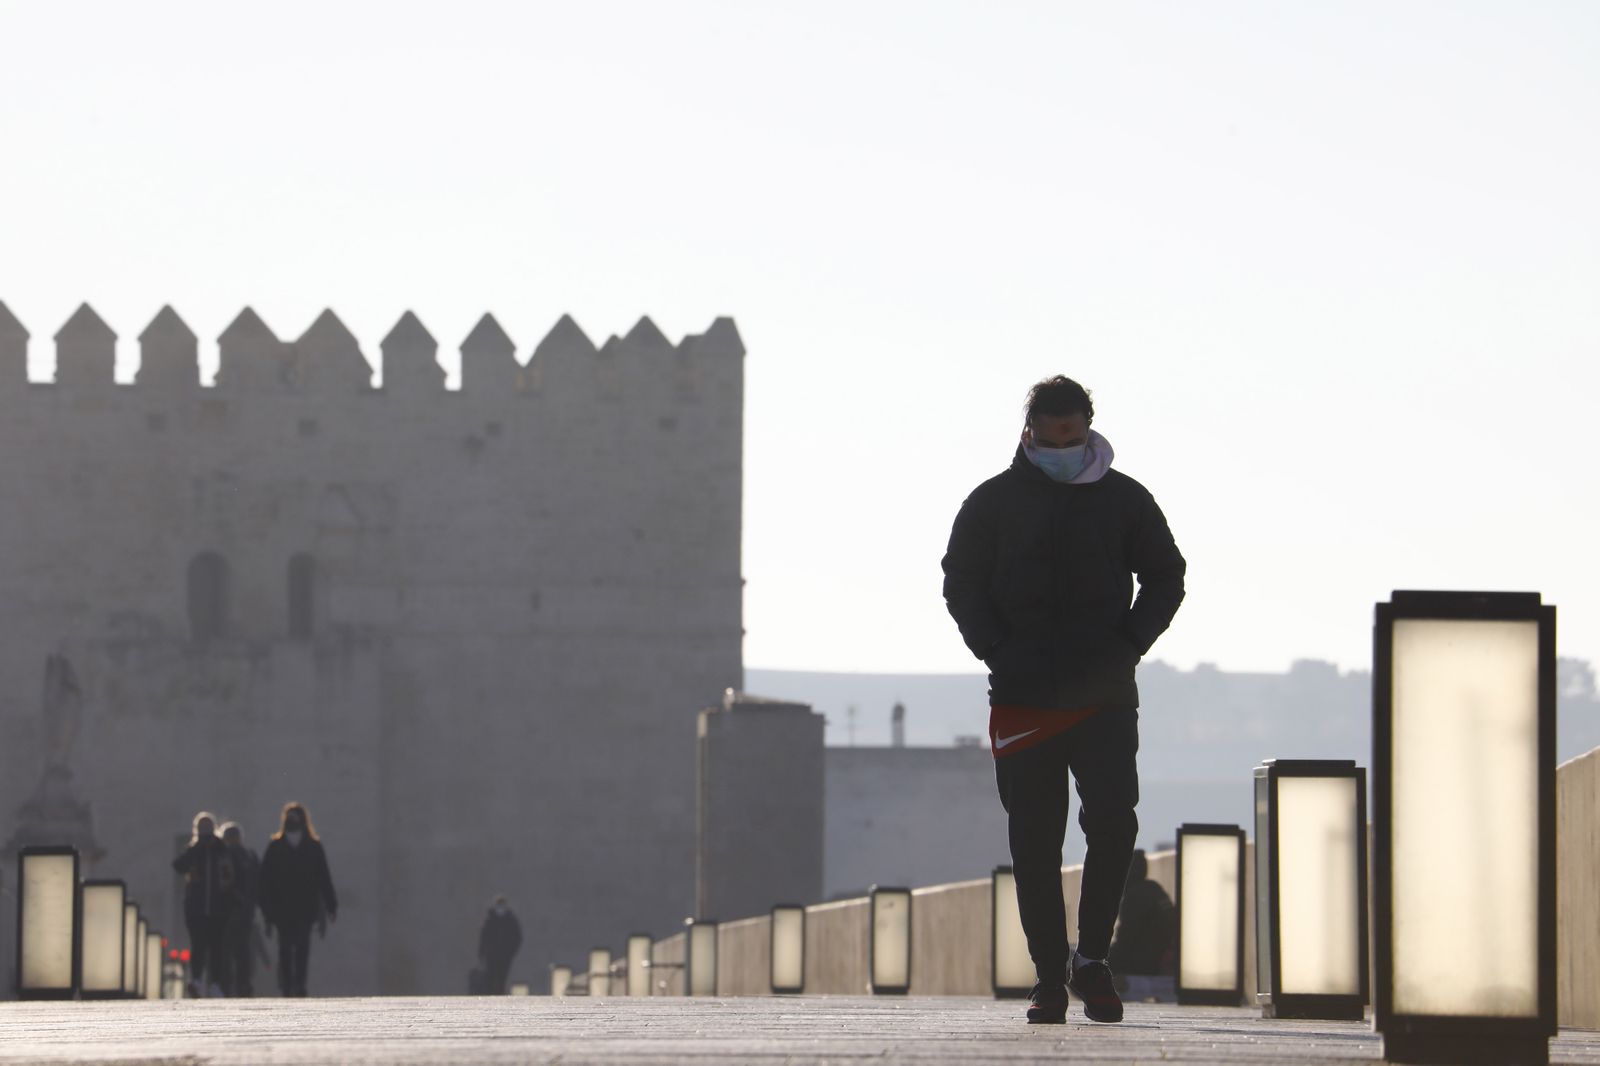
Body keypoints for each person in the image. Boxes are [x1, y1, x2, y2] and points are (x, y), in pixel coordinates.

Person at [941, 375, 1185, 1025]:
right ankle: (1050, 975)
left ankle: (1093, 960)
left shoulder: (1125, 500)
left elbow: (1167, 576)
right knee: (1034, 840)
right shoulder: (991, 503)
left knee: (1112, 827)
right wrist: (995, 648)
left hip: (1104, 693)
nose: (1061, 450)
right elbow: (960, 582)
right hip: (1022, 695)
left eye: (1071, 439)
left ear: (1088, 430)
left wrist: (1128, 643)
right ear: (1028, 435)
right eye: (1050, 440)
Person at [258, 802, 338, 997]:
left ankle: (300, 985)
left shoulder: (313, 847)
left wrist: (331, 905)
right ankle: (287, 986)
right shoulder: (275, 847)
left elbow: (323, 877)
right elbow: (264, 881)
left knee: (302, 947)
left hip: (305, 907)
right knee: (285, 948)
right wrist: (268, 911)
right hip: (282, 909)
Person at [172, 811, 235, 998]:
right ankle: (197, 980)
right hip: (197, 909)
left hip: (218, 908)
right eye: (202, 829)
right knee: (198, 945)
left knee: (217, 947)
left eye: (208, 828)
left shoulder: (221, 849)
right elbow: (178, 865)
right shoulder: (194, 850)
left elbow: (230, 875)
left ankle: (215, 983)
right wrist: (197, 848)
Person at [1108, 850, 1175, 977]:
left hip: (1146, 964)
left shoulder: (1135, 897)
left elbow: (1125, 942)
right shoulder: (1154, 889)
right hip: (1162, 958)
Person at [219, 821, 264, 996]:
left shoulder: (223, 855)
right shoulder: (251, 856)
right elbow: (260, 885)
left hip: (226, 912)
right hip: (246, 912)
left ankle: (225, 987)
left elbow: (221, 884)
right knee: (243, 951)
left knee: (225, 952)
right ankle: (243, 985)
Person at [477, 895, 523, 995]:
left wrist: (510, 952)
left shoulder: (510, 920)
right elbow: (484, 938)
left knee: (501, 979)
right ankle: (490, 998)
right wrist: (482, 953)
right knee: (490, 978)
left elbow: (517, 938)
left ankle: (499, 997)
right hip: (491, 956)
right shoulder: (490, 919)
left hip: (504, 956)